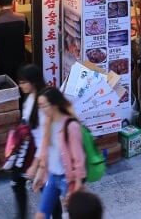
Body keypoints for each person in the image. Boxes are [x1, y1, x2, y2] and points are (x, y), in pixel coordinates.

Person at [13, 65, 60, 219]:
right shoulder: (31, 98)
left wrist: (36, 165)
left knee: (47, 190)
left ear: (32, 82)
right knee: (19, 183)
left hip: (43, 154)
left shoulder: (41, 104)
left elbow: (44, 138)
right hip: (32, 150)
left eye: (23, 82)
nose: (20, 85)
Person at [32, 88, 86, 219]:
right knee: (42, 214)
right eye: (40, 106)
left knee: (74, 214)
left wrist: (78, 184)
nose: (42, 110)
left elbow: (78, 158)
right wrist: (40, 173)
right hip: (52, 176)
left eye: (44, 105)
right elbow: (45, 150)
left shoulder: (71, 126)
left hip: (67, 179)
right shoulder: (48, 122)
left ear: (55, 105)